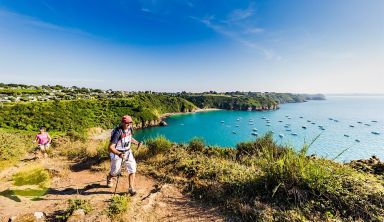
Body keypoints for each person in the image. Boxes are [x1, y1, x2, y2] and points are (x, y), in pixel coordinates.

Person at [107, 115, 140, 195]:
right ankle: (109, 177)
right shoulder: (117, 132)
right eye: (127, 123)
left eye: (130, 122)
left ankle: (131, 188)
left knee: (133, 169)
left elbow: (129, 138)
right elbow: (110, 147)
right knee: (115, 172)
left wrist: (137, 143)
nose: (129, 124)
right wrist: (119, 154)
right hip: (117, 153)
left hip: (128, 152)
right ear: (122, 123)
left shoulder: (129, 129)